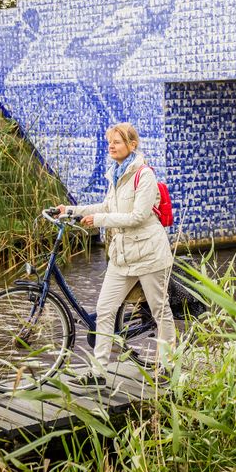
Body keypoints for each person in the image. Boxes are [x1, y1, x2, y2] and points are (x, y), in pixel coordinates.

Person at [57, 122, 175, 388]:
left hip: (149, 253)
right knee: (105, 309)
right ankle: (99, 373)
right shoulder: (116, 173)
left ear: (132, 145)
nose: (111, 146)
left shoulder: (143, 175)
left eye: (117, 142)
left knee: (159, 309)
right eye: (109, 141)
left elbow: (139, 216)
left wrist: (100, 219)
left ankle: (168, 365)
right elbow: (107, 206)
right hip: (122, 255)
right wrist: (71, 210)